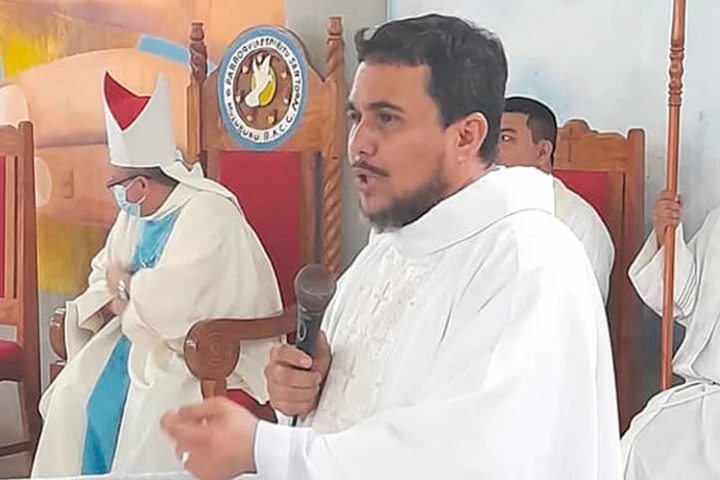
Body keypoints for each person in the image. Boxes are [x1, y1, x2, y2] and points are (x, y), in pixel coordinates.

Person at [161, 14, 621, 480]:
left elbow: (469, 459)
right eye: (356, 118)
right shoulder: (390, 248)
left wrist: (267, 448)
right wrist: (302, 393)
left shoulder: (531, 263)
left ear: (466, 135)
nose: (358, 145)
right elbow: (343, 416)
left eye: (387, 119)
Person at [31, 71, 283, 477]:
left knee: (146, 413)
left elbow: (181, 300)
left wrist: (127, 287)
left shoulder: (209, 213)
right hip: (143, 340)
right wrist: (117, 292)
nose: (115, 191)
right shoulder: (138, 214)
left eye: (117, 182)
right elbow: (106, 270)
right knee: (71, 396)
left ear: (142, 184)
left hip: (197, 354)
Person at [621, 190, 720, 479]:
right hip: (704, 397)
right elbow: (682, 299)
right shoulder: (718, 223)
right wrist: (666, 235)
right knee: (640, 446)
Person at [496, 96, 615, 303]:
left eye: (505, 138)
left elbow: (582, 311)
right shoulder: (474, 209)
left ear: (542, 152)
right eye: (489, 139)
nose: (491, 150)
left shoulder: (579, 224)